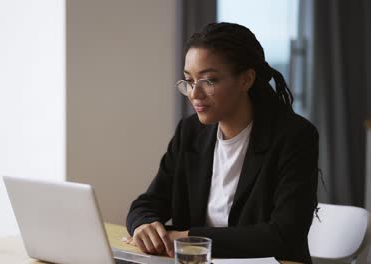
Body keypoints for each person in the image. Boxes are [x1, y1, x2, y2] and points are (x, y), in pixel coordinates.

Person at [124, 22, 319, 264]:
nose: (195, 93)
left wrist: (187, 238)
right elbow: (147, 203)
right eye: (189, 81)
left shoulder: (294, 136)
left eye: (209, 80)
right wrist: (143, 224)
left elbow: (285, 234)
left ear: (246, 80)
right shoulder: (190, 131)